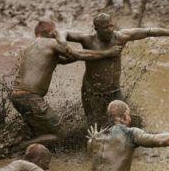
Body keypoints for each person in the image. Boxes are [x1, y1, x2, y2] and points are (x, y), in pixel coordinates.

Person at [56, 13, 169, 127]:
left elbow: (148, 31)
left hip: (114, 91)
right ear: (96, 28)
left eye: (111, 26)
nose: (110, 30)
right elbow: (63, 32)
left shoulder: (120, 37)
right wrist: (62, 41)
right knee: (93, 124)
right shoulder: (88, 39)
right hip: (91, 93)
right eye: (105, 27)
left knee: (128, 120)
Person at [11, 21, 122, 149]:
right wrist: (107, 53)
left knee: (40, 131)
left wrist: (86, 52)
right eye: (57, 32)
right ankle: (18, 148)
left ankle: (19, 146)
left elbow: (67, 59)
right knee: (61, 134)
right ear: (53, 33)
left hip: (17, 97)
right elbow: (77, 54)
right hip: (31, 98)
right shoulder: (51, 43)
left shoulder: (31, 48)